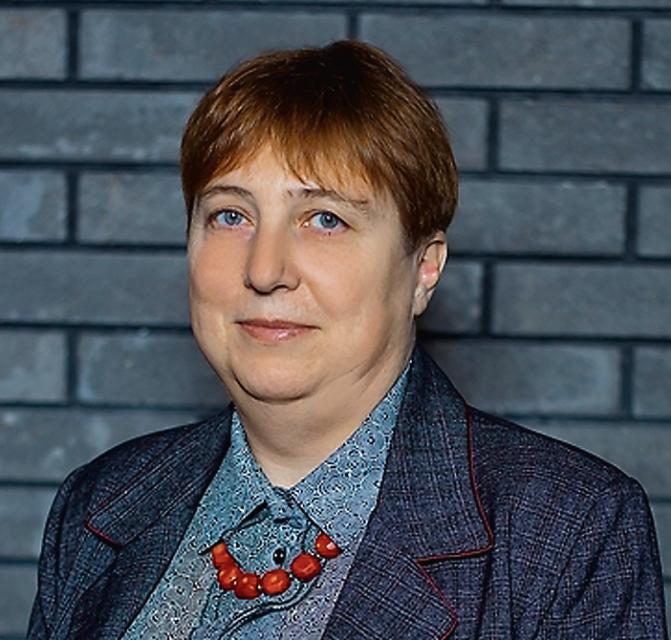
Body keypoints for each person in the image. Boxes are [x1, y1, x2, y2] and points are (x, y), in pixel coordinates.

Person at [29, 41, 667, 640]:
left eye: (325, 219)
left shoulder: (571, 530)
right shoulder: (100, 502)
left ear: (423, 268)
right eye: (231, 214)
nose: (265, 269)